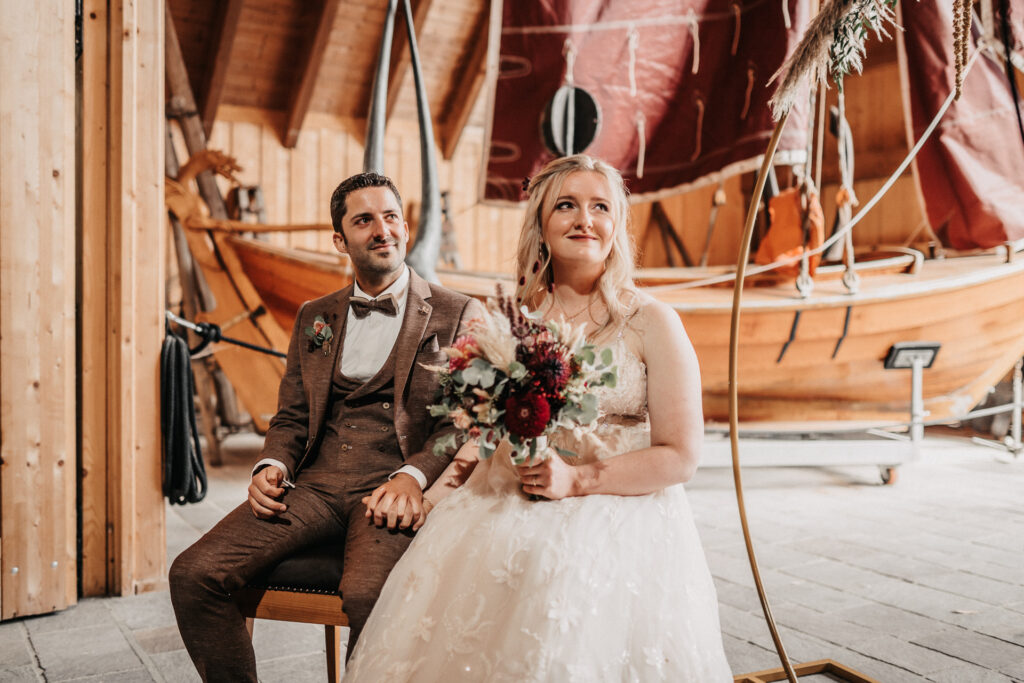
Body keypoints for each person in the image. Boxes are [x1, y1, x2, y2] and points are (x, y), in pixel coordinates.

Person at [343, 155, 733, 681]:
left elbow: (682, 456)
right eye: (566, 205)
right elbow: (482, 431)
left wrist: (576, 480)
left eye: (600, 207)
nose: (584, 220)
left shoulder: (652, 321)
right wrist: (433, 496)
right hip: (511, 486)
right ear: (542, 226)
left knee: (556, 577)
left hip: (621, 501)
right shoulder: (513, 320)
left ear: (617, 224)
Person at [169, 171, 483, 682]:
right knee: (193, 573)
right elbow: (292, 413)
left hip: (390, 487)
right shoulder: (314, 315)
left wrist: (414, 477)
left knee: (370, 596)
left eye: (390, 217)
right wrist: (272, 463)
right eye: (364, 221)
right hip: (313, 486)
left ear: (405, 227)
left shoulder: (459, 312)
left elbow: (463, 422)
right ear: (340, 240)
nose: (382, 230)